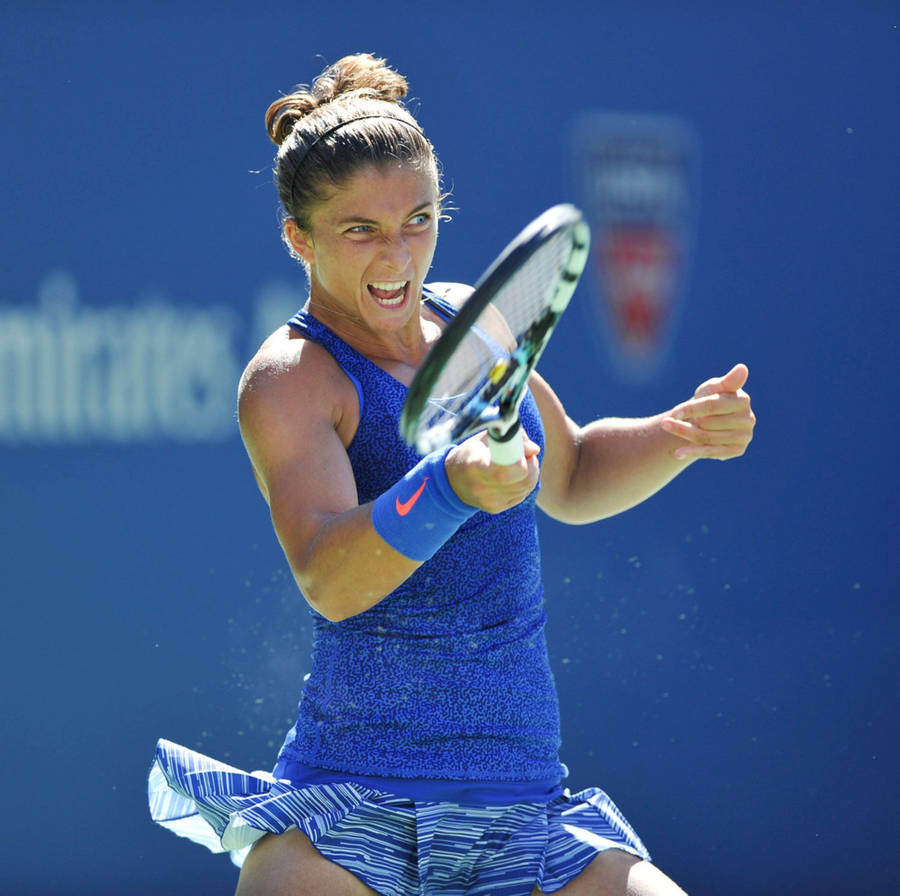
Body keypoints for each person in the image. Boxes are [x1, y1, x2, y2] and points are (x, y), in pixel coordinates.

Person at [148, 53, 755, 896]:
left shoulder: (476, 323)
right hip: (350, 819)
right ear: (299, 239)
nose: (398, 254)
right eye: (361, 230)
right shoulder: (290, 380)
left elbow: (574, 473)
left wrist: (676, 435)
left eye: (419, 219)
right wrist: (450, 488)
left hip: (531, 816)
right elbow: (328, 577)